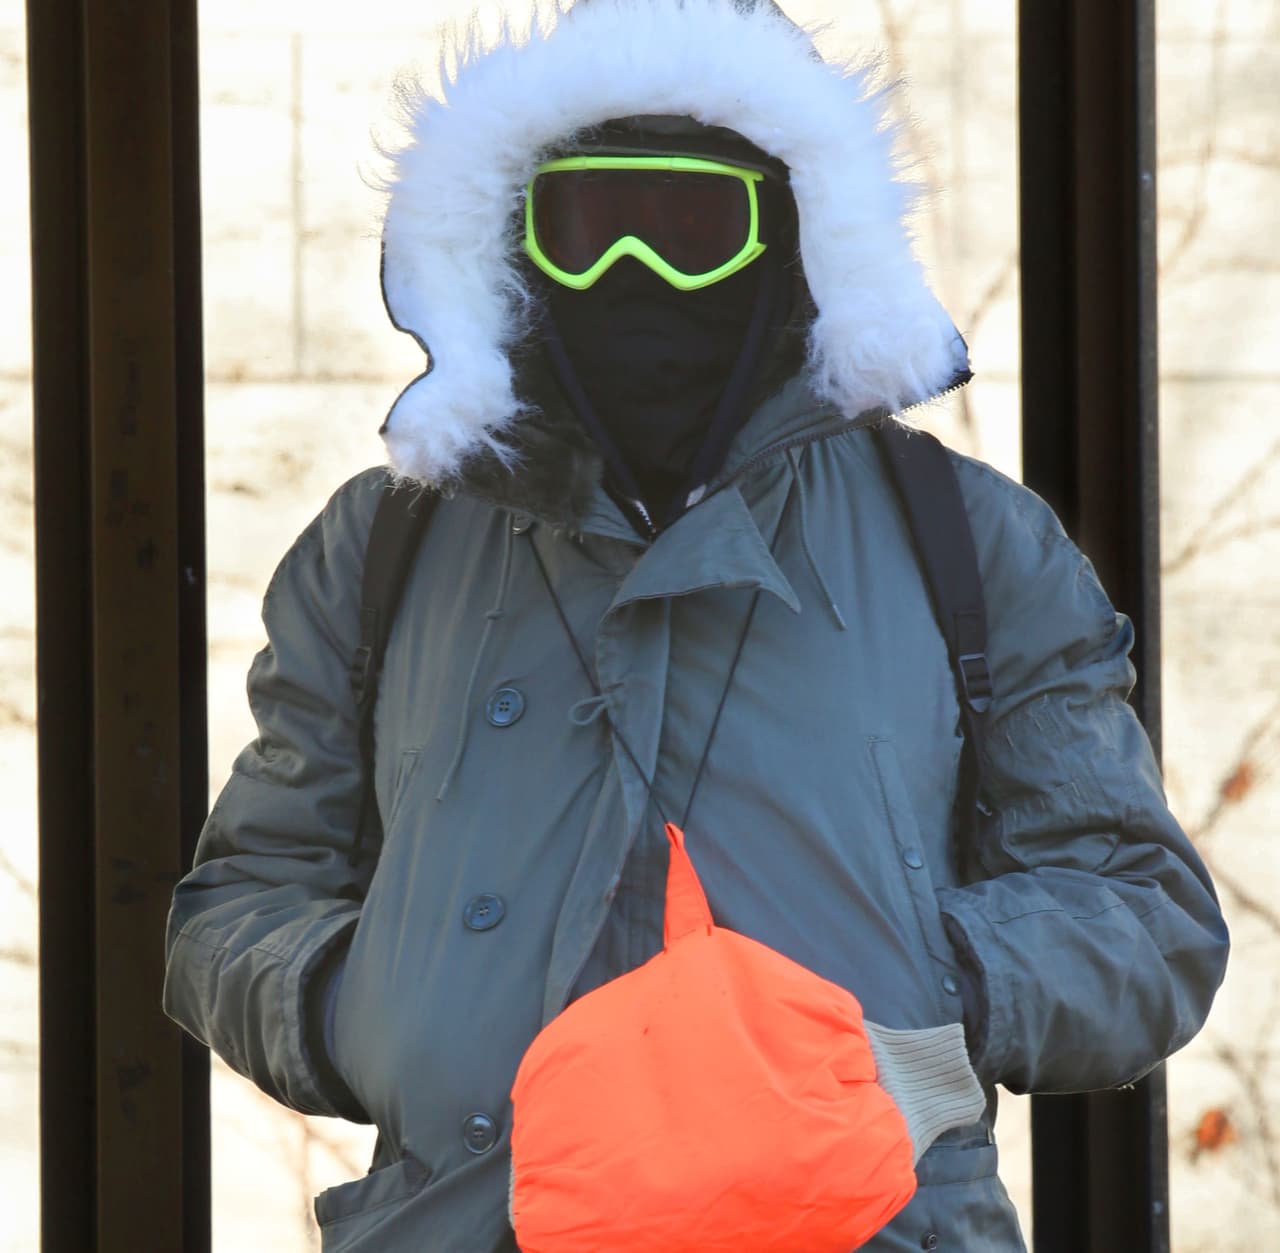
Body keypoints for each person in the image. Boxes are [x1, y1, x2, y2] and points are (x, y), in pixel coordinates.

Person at [163, 1, 1229, 1249]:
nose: (638, 276)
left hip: (858, 1220)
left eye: (691, 230)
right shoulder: (382, 548)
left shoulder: (969, 540)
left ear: (789, 244)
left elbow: (1143, 912)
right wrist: (369, 1009)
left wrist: (920, 1008)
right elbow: (240, 897)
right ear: (513, 249)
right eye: (589, 230)